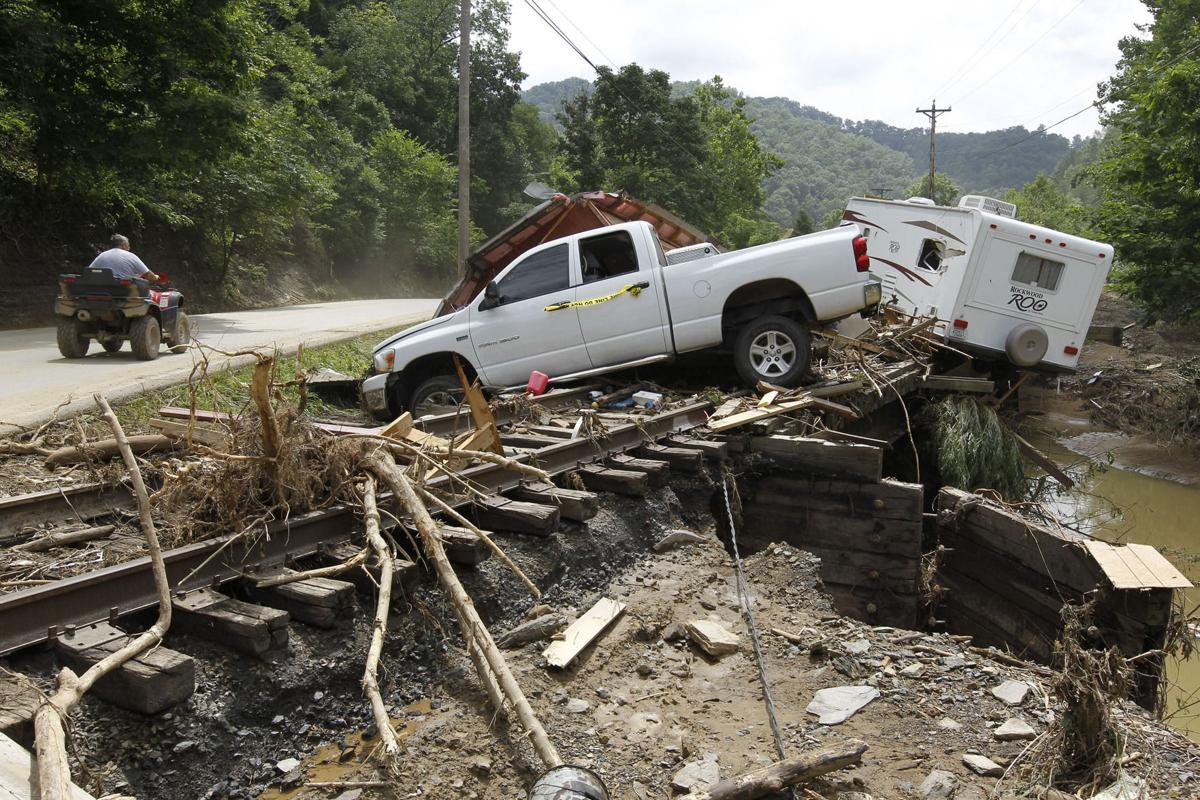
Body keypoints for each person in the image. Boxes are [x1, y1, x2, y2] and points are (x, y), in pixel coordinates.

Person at [88, 234, 159, 282]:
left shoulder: (102, 255)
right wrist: (156, 277)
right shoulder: (131, 256)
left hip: (102, 290)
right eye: (128, 245)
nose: (129, 248)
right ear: (123, 245)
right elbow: (148, 275)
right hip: (124, 292)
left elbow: (89, 271)